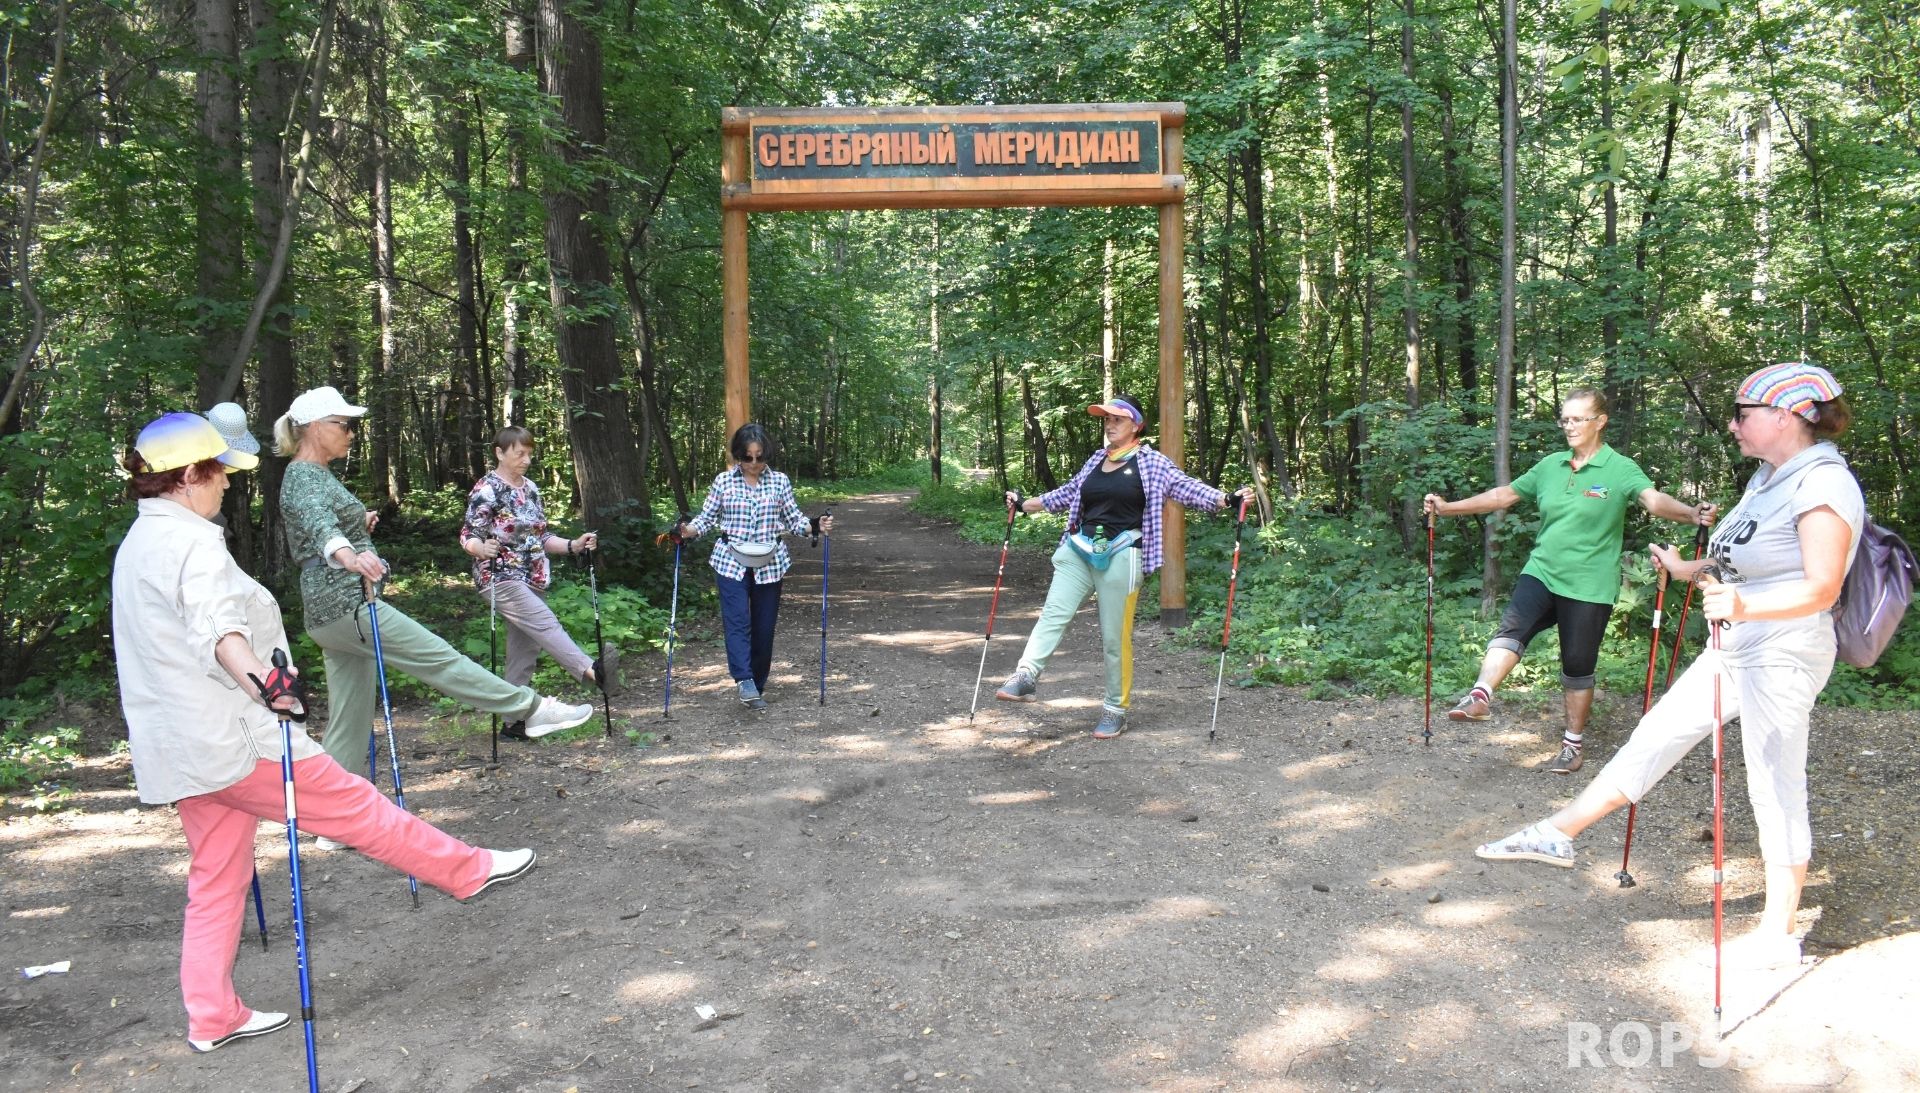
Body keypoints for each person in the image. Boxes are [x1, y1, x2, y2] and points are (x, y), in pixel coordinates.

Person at [112, 412, 536, 1054]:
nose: (227, 483)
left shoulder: (140, 543)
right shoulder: (192, 543)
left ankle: (212, 1016)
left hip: (184, 750)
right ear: (190, 474)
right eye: (220, 471)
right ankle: (466, 870)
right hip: (234, 740)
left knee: (217, 877)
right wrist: (269, 684)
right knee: (355, 806)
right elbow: (218, 629)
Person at [1477, 364, 1863, 971]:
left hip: (1784, 650)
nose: (1733, 425)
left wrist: (1745, 603)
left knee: (1773, 779)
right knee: (1655, 734)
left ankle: (1779, 930)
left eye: (1742, 414)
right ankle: (1558, 833)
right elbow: (1743, 557)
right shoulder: (1769, 477)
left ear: (1784, 417)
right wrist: (1689, 569)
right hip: (1736, 643)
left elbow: (1821, 587)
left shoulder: (1823, 485)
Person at [275, 387, 593, 784]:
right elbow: (320, 526)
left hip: (330, 614)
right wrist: (348, 554)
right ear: (315, 428)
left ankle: (335, 815)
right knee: (441, 659)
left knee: (349, 716)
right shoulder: (303, 474)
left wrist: (360, 523)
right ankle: (531, 709)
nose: (350, 432)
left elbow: (322, 519)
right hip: (347, 605)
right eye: (343, 425)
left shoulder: (315, 475)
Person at [1424, 387, 1715, 773]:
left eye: (1578, 419)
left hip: (1590, 585)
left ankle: (1572, 745)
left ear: (1601, 421)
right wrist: (1447, 509)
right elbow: (1503, 495)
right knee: (1513, 627)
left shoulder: (1620, 468)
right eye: (1565, 419)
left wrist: (1690, 513)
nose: (1569, 426)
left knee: (1578, 665)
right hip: (1543, 570)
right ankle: (1480, 695)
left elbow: (1653, 500)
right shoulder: (1551, 466)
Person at [994, 394, 1251, 740]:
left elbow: (1186, 488)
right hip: (1078, 549)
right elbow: (1069, 493)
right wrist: (1025, 504)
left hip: (1123, 552)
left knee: (1114, 637)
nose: (1110, 425)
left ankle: (1115, 709)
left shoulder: (1151, 462)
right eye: (1106, 420)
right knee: (1053, 613)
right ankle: (1026, 675)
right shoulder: (1096, 460)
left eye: (1117, 419)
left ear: (1136, 425)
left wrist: (1226, 499)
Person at [460, 425, 619, 739]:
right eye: (520, 453)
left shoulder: (530, 488)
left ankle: (513, 721)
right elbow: (468, 536)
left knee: (524, 651)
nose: (526, 459)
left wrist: (574, 545)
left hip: (533, 576)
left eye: (529, 453)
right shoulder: (486, 489)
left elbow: (542, 537)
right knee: (546, 624)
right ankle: (591, 670)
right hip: (500, 577)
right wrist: (481, 548)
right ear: (500, 453)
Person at [672, 423, 831, 710]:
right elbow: (706, 519)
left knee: (764, 626)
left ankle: (757, 682)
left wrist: (815, 525)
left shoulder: (780, 481)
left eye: (760, 456)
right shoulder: (724, 482)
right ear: (738, 456)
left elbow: (793, 520)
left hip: (770, 562)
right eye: (748, 457)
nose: (755, 463)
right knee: (737, 621)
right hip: (730, 560)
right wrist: (687, 531)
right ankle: (743, 679)